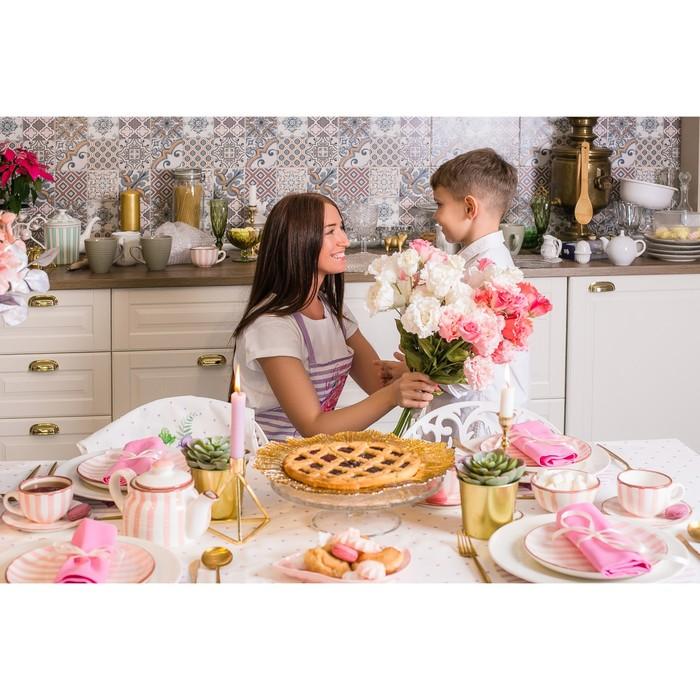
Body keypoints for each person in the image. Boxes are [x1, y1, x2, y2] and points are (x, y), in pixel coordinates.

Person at [232, 192, 438, 441]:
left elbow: (377, 383)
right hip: (269, 458)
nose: (345, 241)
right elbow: (313, 426)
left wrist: (411, 371)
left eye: (341, 228)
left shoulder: (331, 309)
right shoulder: (271, 326)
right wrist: (393, 394)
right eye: (330, 231)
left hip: (314, 453)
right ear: (298, 240)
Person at [380, 148, 529, 412]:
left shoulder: (489, 273)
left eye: (440, 204)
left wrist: (417, 372)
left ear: (470, 207)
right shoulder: (478, 262)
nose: (436, 216)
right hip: (468, 408)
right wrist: (413, 369)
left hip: (476, 415)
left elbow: (469, 366)